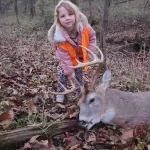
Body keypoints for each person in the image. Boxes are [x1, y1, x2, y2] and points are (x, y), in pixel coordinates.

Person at [48, 0, 97, 103]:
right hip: (66, 59)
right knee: (63, 74)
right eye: (63, 16)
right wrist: (69, 72)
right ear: (58, 20)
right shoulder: (59, 38)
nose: (67, 18)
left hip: (80, 58)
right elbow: (64, 57)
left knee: (79, 77)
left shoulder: (85, 27)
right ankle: (60, 94)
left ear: (76, 15)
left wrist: (90, 51)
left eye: (70, 14)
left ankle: (79, 94)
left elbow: (92, 37)